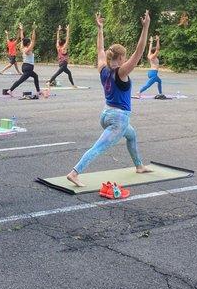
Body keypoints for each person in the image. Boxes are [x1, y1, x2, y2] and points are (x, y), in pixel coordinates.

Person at [65, 11, 152, 187]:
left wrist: (100, 28)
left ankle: (139, 166)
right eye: (125, 57)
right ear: (121, 58)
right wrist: (146, 27)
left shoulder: (103, 68)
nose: (126, 59)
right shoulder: (121, 72)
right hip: (118, 119)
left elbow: (99, 49)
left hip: (106, 114)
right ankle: (75, 173)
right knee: (98, 147)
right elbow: (139, 51)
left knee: (132, 136)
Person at [5, 23, 40, 96]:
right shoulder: (28, 50)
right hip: (28, 68)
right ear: (28, 44)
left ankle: (38, 91)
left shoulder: (22, 48)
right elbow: (33, 39)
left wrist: (21, 29)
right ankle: (10, 90)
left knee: (35, 76)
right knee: (20, 80)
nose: (30, 43)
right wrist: (34, 29)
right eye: (29, 42)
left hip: (25, 66)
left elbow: (22, 38)